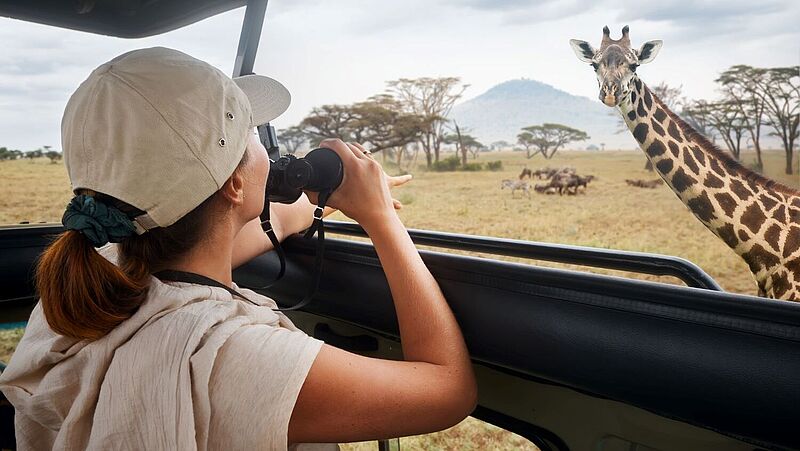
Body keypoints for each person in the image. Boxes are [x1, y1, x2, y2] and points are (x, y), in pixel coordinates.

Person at [0, 47, 476, 449]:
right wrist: (383, 220)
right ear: (234, 183)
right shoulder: (231, 356)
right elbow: (449, 391)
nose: (266, 147)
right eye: (251, 132)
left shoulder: (93, 279)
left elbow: (253, 229)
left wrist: (331, 201)